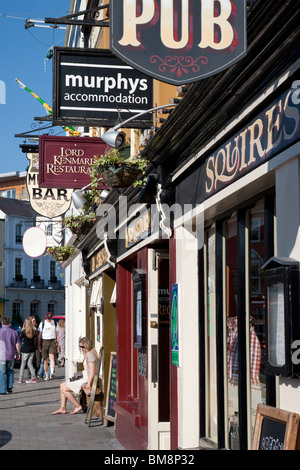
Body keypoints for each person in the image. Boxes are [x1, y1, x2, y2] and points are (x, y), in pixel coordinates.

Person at [52, 337, 99, 415]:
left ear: (87, 345)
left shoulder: (90, 354)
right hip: (84, 376)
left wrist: (88, 384)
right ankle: (63, 408)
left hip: (86, 379)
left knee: (64, 389)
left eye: (83, 347)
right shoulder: (90, 353)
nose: (82, 349)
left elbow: (92, 371)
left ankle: (77, 405)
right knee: (62, 385)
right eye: (80, 347)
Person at [0, 316, 21, 394]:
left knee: (2, 372)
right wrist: (18, 353)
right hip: (11, 355)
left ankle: (2, 390)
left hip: (1, 356)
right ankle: (9, 387)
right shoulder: (14, 332)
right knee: (10, 371)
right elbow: (18, 344)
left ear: (2, 323)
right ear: (9, 323)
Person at [38, 312, 58, 381]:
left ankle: (52, 372)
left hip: (52, 341)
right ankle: (46, 375)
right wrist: (39, 345)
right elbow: (40, 335)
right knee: (45, 360)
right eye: (48, 318)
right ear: (46, 317)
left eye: (50, 318)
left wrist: (57, 345)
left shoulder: (55, 323)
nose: (49, 320)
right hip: (45, 341)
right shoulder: (42, 324)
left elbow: (57, 334)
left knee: (52, 358)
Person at [18, 318, 38, 384]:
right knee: (29, 363)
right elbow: (36, 334)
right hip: (32, 349)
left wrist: (23, 327)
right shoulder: (33, 331)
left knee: (23, 364)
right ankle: (33, 377)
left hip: (25, 349)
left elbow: (20, 336)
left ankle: (20, 379)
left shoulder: (23, 332)